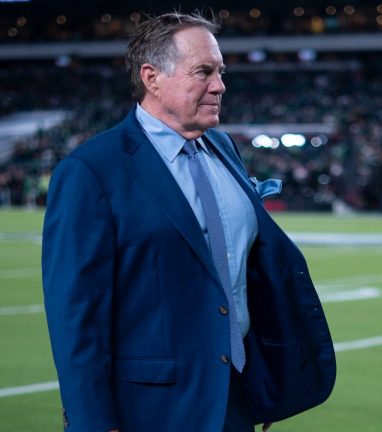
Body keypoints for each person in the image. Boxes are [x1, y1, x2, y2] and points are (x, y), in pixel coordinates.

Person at [42, 12, 335, 432]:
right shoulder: (91, 170)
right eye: (203, 72)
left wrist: (269, 375)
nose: (219, 85)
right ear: (152, 77)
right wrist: (93, 424)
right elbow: (75, 314)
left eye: (220, 72)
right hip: (150, 408)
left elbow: (242, 270)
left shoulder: (222, 146)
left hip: (234, 397)